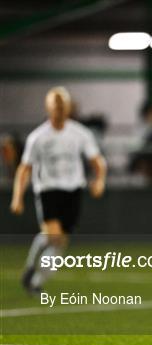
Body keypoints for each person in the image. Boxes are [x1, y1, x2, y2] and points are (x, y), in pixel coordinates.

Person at [10, 87, 107, 295]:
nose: (60, 110)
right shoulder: (38, 137)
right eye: (57, 106)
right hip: (48, 190)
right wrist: (18, 196)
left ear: (69, 108)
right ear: (48, 108)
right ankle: (31, 269)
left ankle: (34, 280)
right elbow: (24, 168)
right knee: (53, 235)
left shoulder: (80, 133)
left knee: (59, 242)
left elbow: (97, 161)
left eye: (64, 106)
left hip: (72, 191)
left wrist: (99, 181)